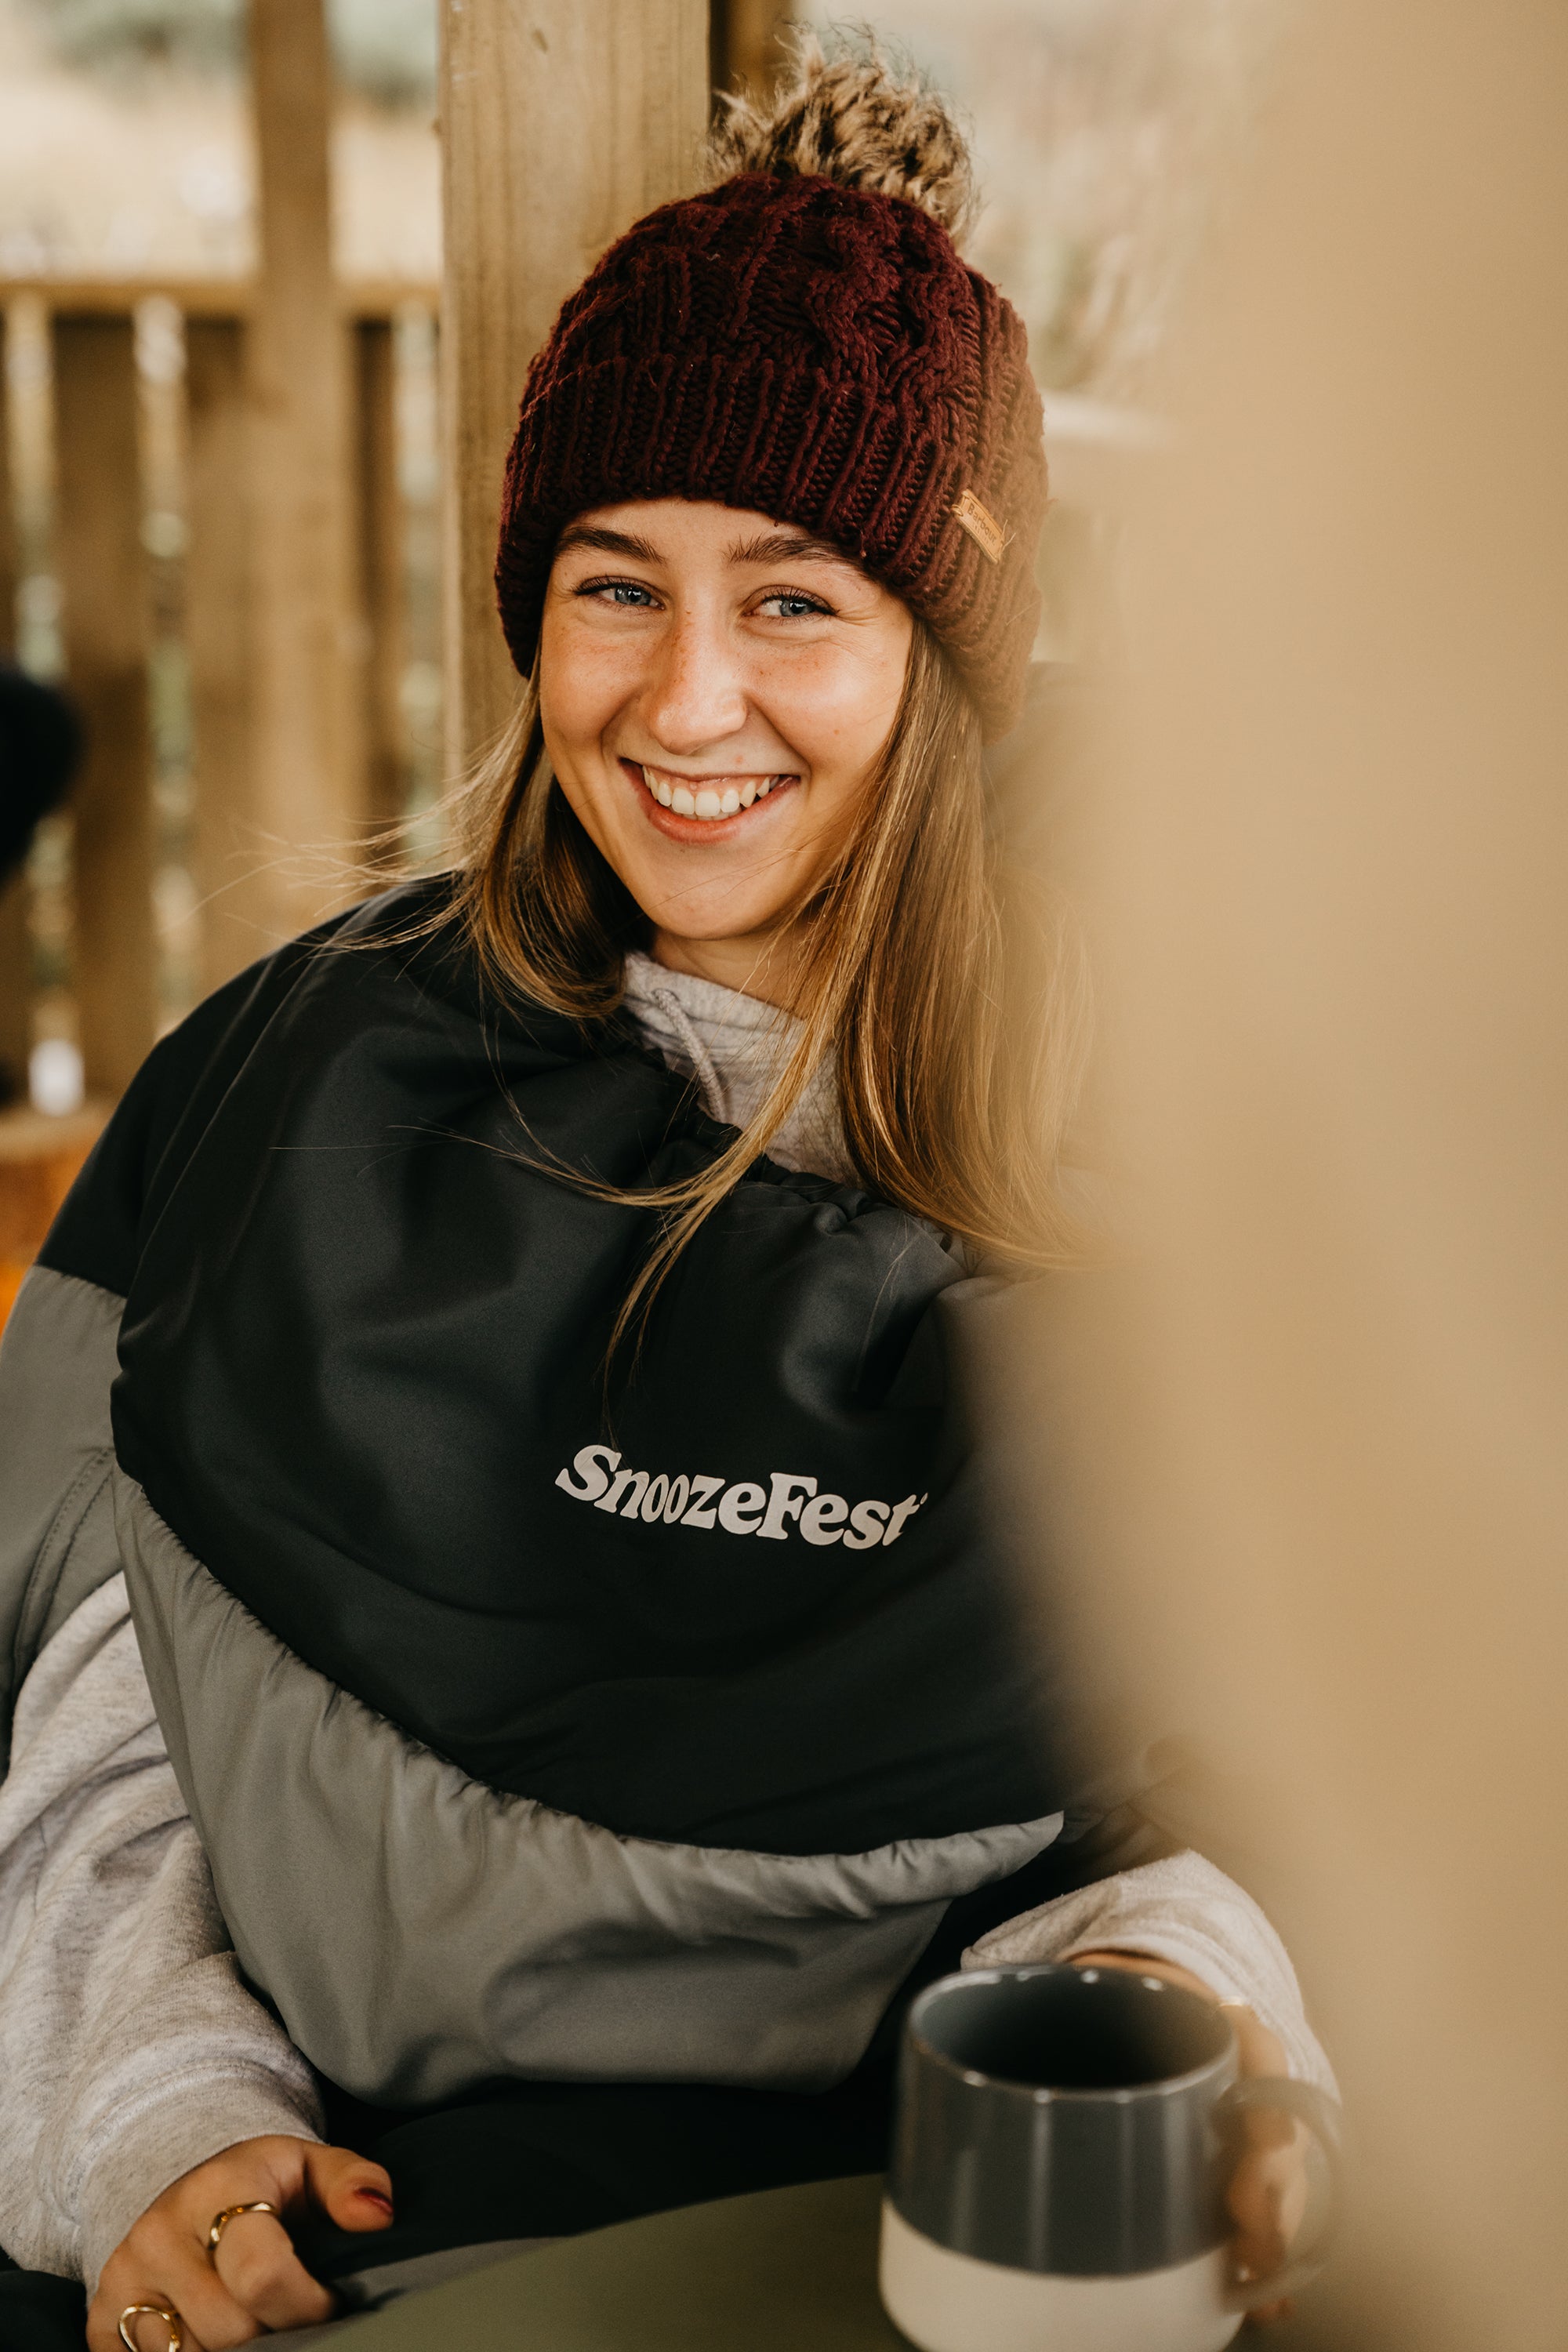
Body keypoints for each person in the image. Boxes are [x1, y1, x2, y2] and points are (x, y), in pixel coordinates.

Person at [0, 43, 1333, 2352]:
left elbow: (1225, 1770)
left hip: (905, 2253)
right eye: (619, 587)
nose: (686, 697)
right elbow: (102, 1730)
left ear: (942, 656)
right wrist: (157, 2112)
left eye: (796, 600)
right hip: (351, 2242)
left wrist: (1167, 1998)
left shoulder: (1159, 1178)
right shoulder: (299, 1077)